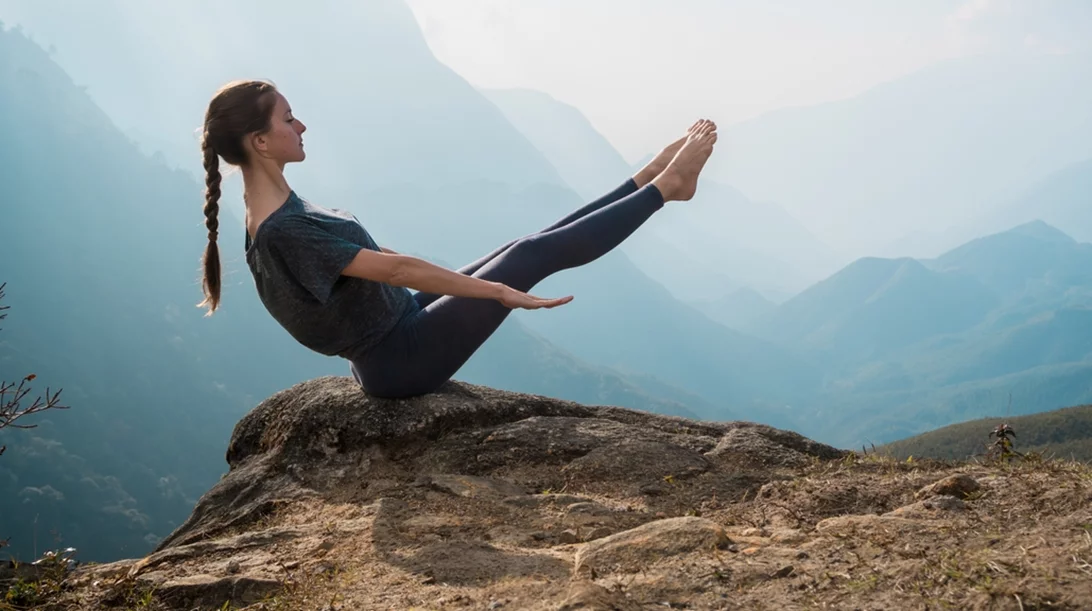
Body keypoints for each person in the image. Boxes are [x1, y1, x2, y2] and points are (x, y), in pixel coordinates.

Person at [198, 79, 717, 398]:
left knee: (522, 245)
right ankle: (667, 189)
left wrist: (478, 278)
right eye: (289, 120)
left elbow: (380, 261)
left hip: (393, 325)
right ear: (261, 141)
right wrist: (498, 292)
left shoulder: (273, 213)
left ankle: (643, 180)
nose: (302, 125)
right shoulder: (285, 230)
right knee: (530, 256)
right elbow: (395, 271)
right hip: (397, 360)